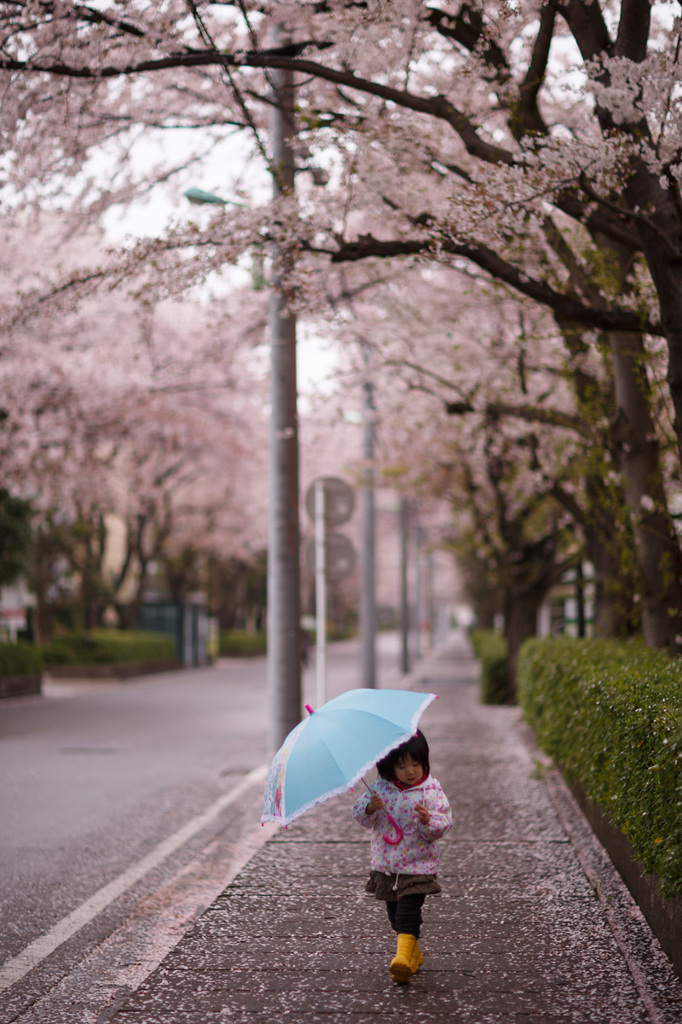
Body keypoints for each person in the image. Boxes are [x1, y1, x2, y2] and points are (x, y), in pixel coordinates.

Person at [352, 729, 452, 984]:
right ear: (387, 766)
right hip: (387, 866)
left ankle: (401, 959)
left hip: (418, 866)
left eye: (416, 764)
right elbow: (361, 817)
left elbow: (444, 822)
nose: (411, 771)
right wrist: (370, 807)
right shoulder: (380, 789)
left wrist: (428, 820)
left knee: (408, 913)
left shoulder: (430, 789)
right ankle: (414, 956)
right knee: (395, 917)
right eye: (402, 765)